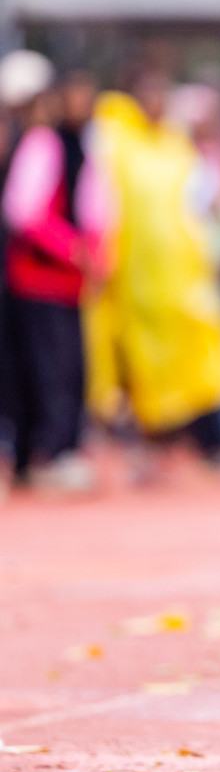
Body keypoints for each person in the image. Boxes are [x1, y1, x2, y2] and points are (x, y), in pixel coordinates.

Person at [85, 68, 220, 468]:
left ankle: (178, 446)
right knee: (129, 369)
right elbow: (99, 202)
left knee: (186, 366)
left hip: (178, 282)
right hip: (130, 280)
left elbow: (206, 203)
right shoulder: (115, 141)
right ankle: (137, 447)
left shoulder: (178, 146)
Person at [0, 55, 107, 493]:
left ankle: (55, 451)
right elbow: (23, 210)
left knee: (70, 370)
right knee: (47, 371)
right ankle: (45, 454)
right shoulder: (44, 143)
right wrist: (71, 249)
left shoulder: (85, 146)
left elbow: (97, 208)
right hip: (36, 279)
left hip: (67, 282)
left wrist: (96, 253)